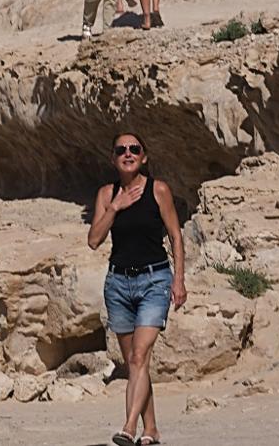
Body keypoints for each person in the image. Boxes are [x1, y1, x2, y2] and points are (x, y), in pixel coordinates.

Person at [87, 133, 186, 446]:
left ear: (144, 157)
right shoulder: (107, 194)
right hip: (118, 284)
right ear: (113, 158)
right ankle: (152, 429)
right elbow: (93, 240)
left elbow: (175, 236)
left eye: (134, 149)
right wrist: (115, 207)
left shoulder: (158, 190)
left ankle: (128, 427)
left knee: (140, 355)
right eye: (121, 150)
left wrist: (178, 280)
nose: (127, 154)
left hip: (154, 280)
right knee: (135, 363)